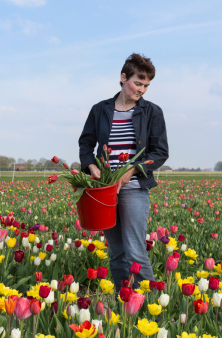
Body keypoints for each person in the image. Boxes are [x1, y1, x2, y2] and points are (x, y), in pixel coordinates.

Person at [78, 53, 169, 292]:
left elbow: (160, 152)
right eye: (138, 83)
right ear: (123, 77)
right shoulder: (100, 110)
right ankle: (123, 302)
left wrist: (134, 169)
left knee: (135, 250)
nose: (142, 90)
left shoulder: (152, 112)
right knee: (117, 251)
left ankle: (150, 302)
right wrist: (92, 166)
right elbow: (86, 144)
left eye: (146, 85)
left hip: (134, 188)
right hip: (104, 190)